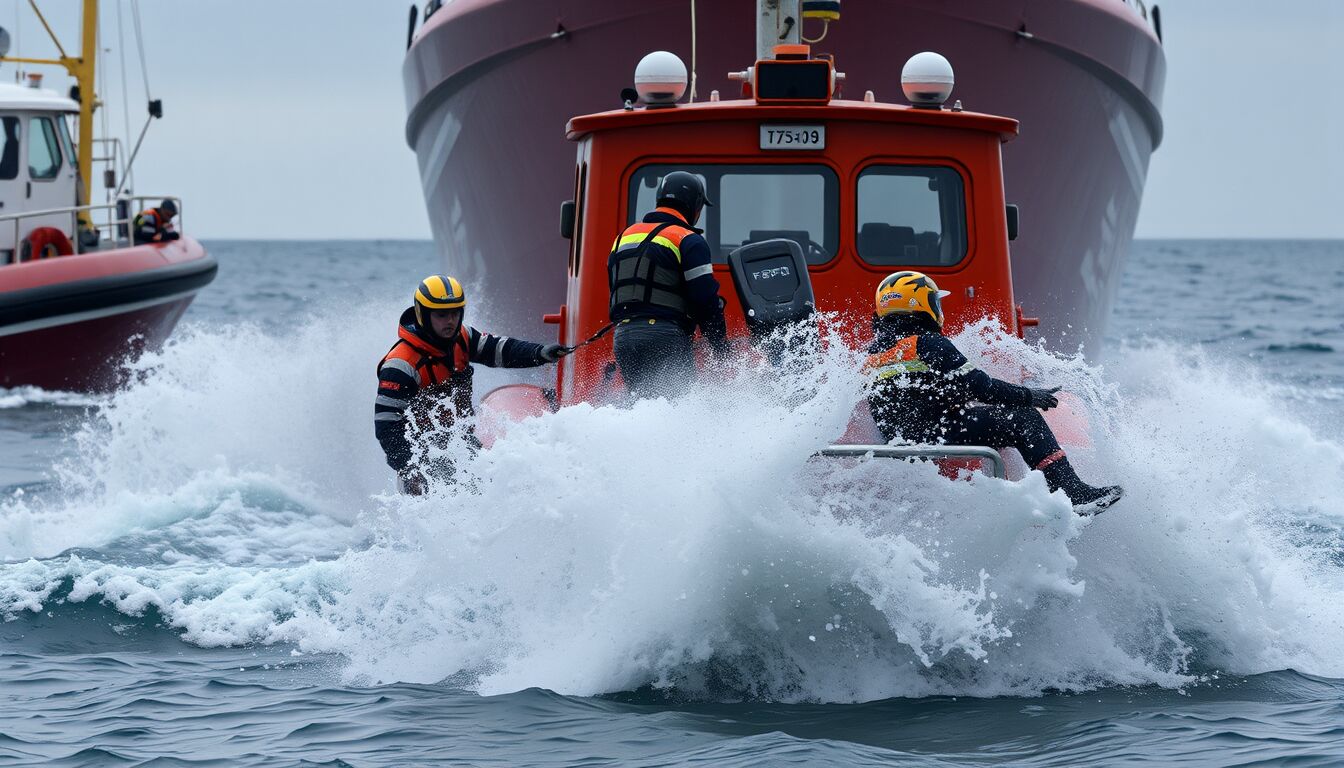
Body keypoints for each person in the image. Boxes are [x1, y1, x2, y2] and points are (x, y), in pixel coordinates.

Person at [864, 271, 1124, 514]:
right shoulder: (928, 343)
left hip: (901, 438)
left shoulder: (875, 352)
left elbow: (915, 396)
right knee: (1025, 419)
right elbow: (981, 387)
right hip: (934, 433)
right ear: (923, 305)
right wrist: (1030, 396)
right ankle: (1072, 494)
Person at [375, 275, 571, 494]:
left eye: (455, 313)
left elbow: (501, 349)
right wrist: (409, 468)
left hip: (462, 445)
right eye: (441, 315)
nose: (450, 321)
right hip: (421, 459)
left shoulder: (463, 337)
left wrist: (540, 353)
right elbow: (387, 425)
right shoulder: (401, 365)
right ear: (423, 315)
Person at [608, 171, 728, 398]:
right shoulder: (688, 240)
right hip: (664, 336)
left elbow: (618, 290)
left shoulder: (623, 237)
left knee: (641, 405)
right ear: (694, 205)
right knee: (679, 405)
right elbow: (705, 299)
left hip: (623, 338)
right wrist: (719, 345)